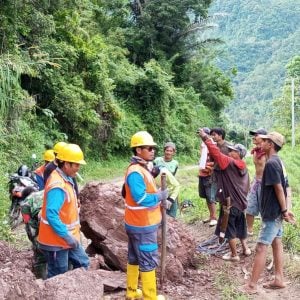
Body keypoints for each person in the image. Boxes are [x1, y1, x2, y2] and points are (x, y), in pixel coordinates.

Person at [243, 132, 295, 294]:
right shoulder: (279, 161)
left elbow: (279, 188)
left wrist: (285, 210)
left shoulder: (271, 163)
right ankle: (278, 279)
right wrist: (286, 209)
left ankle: (251, 286)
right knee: (276, 242)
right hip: (277, 211)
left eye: (265, 141)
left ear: (271, 144)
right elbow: (286, 187)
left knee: (261, 247)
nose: (261, 143)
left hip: (272, 212)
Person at [124, 131, 167, 300]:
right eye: (149, 148)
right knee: (148, 260)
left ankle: (132, 292)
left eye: (153, 148)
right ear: (138, 150)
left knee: (134, 258)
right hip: (143, 225)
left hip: (136, 224)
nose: (152, 150)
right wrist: (160, 195)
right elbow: (141, 198)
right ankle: (150, 296)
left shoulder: (141, 168)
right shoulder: (136, 172)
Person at [198, 129, 251, 262]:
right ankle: (245, 248)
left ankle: (234, 255)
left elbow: (215, 153)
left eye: (232, 150)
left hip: (230, 203)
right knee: (241, 225)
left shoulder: (229, 162)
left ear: (237, 154)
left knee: (229, 228)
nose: (229, 151)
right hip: (241, 203)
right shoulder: (243, 167)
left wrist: (205, 137)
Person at [37, 143, 89, 279]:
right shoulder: (57, 185)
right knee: (58, 276)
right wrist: (67, 236)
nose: (78, 168)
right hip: (56, 241)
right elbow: (51, 214)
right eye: (76, 165)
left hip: (69, 238)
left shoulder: (66, 179)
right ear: (66, 164)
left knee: (83, 262)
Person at [245, 128, 267, 236]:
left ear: (263, 138)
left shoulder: (268, 152)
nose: (253, 137)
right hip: (256, 181)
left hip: (266, 183)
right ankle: (249, 230)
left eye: (256, 135)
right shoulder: (255, 151)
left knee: (265, 208)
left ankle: (266, 231)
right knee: (249, 205)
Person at [21, 187, 46, 279]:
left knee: (40, 255)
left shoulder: (25, 204)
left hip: (41, 226)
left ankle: (42, 280)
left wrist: (34, 242)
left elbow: (28, 224)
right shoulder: (44, 193)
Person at [198, 127, 217, 226]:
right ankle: (211, 215)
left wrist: (209, 167)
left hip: (209, 174)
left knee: (211, 196)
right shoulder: (203, 146)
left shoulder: (212, 145)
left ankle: (214, 217)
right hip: (202, 173)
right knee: (206, 195)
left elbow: (215, 161)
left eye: (203, 134)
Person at [154, 142, 179, 217]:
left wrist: (175, 195)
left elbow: (174, 179)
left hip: (170, 190)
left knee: (172, 214)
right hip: (159, 191)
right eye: (167, 150)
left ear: (173, 152)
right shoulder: (157, 160)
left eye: (171, 151)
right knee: (160, 214)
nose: (168, 152)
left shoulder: (175, 163)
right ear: (164, 151)